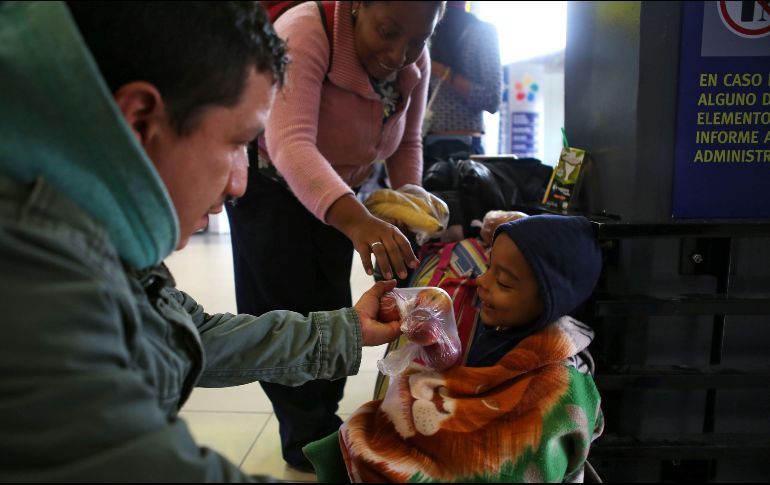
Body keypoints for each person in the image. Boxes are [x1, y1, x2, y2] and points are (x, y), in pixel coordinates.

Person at [0, 1, 404, 482]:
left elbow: (195, 334)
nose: (239, 182)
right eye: (237, 143)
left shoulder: (86, 233)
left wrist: (350, 331)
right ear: (139, 121)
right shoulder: (34, 297)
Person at [225, 0, 446, 472]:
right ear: (358, 6)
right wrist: (359, 222)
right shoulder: (304, 32)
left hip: (337, 193)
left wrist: (409, 201)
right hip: (272, 186)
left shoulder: (414, 62)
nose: (399, 53)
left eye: (417, 40)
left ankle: (323, 416)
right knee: (283, 303)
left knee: (330, 301)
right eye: (388, 32)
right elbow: (291, 143)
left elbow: (407, 142)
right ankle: (304, 436)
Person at [304, 215, 605, 482]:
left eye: (503, 282)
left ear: (551, 302)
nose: (481, 281)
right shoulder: (499, 325)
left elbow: (531, 448)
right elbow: (453, 370)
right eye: (489, 267)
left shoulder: (561, 378)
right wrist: (432, 342)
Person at [422, 0, 502, 168]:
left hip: (464, 147)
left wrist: (445, 73)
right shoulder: (424, 29)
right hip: (424, 145)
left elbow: (492, 100)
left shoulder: (482, 32)